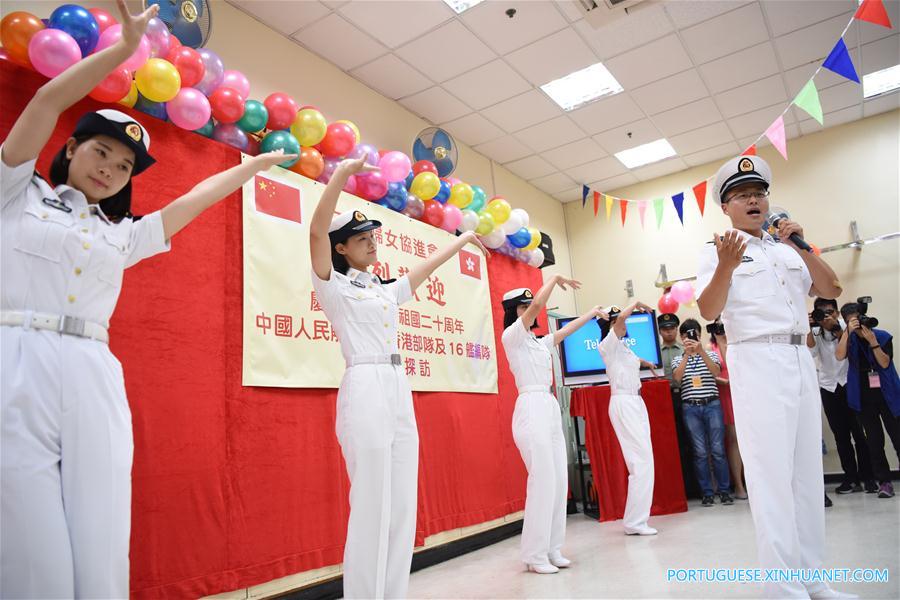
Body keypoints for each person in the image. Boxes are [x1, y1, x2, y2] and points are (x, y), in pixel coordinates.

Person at [0, 3, 294, 598]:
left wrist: (252, 166)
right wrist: (118, 52)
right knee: (31, 544)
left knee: (103, 525)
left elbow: (196, 199)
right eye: (100, 152)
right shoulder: (17, 193)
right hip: (16, 361)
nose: (110, 168)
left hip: (94, 372)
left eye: (124, 164)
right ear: (72, 150)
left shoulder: (122, 234)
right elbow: (43, 105)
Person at [308, 155, 488, 599]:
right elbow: (315, 232)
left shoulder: (381, 289)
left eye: (371, 236)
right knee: (370, 501)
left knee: (402, 502)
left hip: (397, 386)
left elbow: (423, 271)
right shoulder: (334, 286)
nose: (370, 242)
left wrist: (461, 238)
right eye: (359, 238)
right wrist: (341, 177)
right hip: (365, 384)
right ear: (341, 249)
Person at [696, 155, 853, 599]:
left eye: (759, 193)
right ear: (726, 207)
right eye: (743, 195)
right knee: (770, 477)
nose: (754, 200)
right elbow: (709, 311)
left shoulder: (787, 249)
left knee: (806, 472)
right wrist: (727, 266)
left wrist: (802, 243)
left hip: (799, 358)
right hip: (756, 361)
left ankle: (813, 580)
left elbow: (832, 289)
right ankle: (782, 589)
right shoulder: (715, 252)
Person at [501, 279, 604, 574]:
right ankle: (534, 555)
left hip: (548, 406)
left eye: (527, 305)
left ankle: (552, 548)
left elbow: (565, 332)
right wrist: (555, 278)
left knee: (559, 480)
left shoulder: (538, 342)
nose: (529, 311)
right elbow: (536, 307)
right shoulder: (512, 337)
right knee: (542, 481)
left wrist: (591, 313)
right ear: (512, 312)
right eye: (521, 307)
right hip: (530, 407)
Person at [597, 302, 659, 536]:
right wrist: (634, 304)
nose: (620, 324)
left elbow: (631, 361)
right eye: (615, 322)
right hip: (623, 403)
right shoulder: (607, 345)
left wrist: (646, 363)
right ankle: (635, 522)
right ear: (610, 326)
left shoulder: (623, 348)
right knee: (640, 462)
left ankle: (637, 520)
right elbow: (621, 320)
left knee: (645, 461)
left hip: (636, 402)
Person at [807, 298, 875, 495]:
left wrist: (836, 328)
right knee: (841, 436)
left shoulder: (847, 327)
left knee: (860, 434)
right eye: (821, 313)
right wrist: (810, 326)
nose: (825, 316)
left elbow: (848, 350)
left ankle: (868, 477)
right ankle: (850, 478)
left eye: (829, 312)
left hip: (849, 384)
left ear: (837, 312)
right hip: (828, 386)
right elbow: (810, 351)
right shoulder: (816, 330)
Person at [836, 301, 900, 499]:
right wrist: (847, 332)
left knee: (898, 437)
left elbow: (884, 362)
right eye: (852, 321)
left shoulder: (881, 336)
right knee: (874, 441)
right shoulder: (849, 341)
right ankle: (884, 482)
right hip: (863, 396)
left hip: (887, 393)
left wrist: (872, 341)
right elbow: (839, 356)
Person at [671, 319, 733, 507]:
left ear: (699, 335)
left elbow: (716, 372)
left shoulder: (711, 355)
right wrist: (687, 356)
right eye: (687, 335)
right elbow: (677, 379)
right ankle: (706, 493)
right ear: (682, 338)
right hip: (690, 407)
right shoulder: (677, 358)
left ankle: (724, 491)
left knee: (718, 450)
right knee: (699, 452)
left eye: (694, 334)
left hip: (712, 405)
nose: (691, 337)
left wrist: (700, 352)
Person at [658, 313, 700, 499]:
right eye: (666, 329)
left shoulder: (685, 349)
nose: (669, 332)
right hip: (662, 400)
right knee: (668, 445)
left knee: (690, 442)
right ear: (660, 331)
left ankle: (693, 488)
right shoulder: (656, 352)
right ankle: (675, 490)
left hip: (685, 396)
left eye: (672, 328)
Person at [707, 319, 748, 500]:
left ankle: (753, 482)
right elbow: (714, 372)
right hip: (725, 395)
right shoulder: (710, 348)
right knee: (734, 440)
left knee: (751, 439)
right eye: (718, 326)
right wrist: (720, 340)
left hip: (745, 394)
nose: (722, 328)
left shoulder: (741, 343)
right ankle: (739, 486)